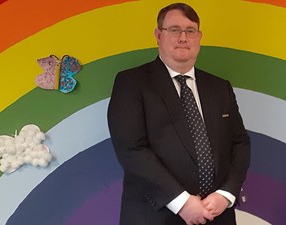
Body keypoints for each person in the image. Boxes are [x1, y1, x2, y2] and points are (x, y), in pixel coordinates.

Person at [107, 2, 250, 225]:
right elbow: (131, 149)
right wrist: (181, 201)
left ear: (199, 37)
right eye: (174, 30)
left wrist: (227, 194)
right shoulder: (131, 83)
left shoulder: (220, 87)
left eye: (190, 31)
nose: (183, 38)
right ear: (158, 35)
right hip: (155, 215)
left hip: (218, 214)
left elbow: (240, 143)